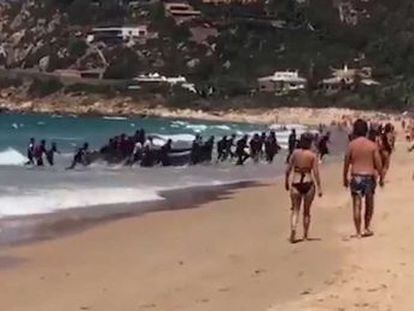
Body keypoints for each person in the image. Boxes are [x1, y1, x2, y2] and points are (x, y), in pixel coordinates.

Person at [343, 119, 384, 238]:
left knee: (357, 204)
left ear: (355, 130)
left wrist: (344, 177)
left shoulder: (351, 145)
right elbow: (378, 163)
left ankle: (357, 231)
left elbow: (346, 163)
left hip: (356, 176)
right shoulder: (372, 145)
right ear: (366, 130)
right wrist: (381, 177)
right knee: (369, 204)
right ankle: (366, 227)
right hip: (369, 177)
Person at [285, 133, 322, 243]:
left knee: (295, 210)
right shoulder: (312, 155)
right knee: (306, 212)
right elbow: (315, 172)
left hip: (296, 182)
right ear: (310, 142)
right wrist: (319, 187)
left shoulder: (295, 153)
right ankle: (305, 235)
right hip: (308, 182)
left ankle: (293, 230)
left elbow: (288, 169)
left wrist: (286, 181)